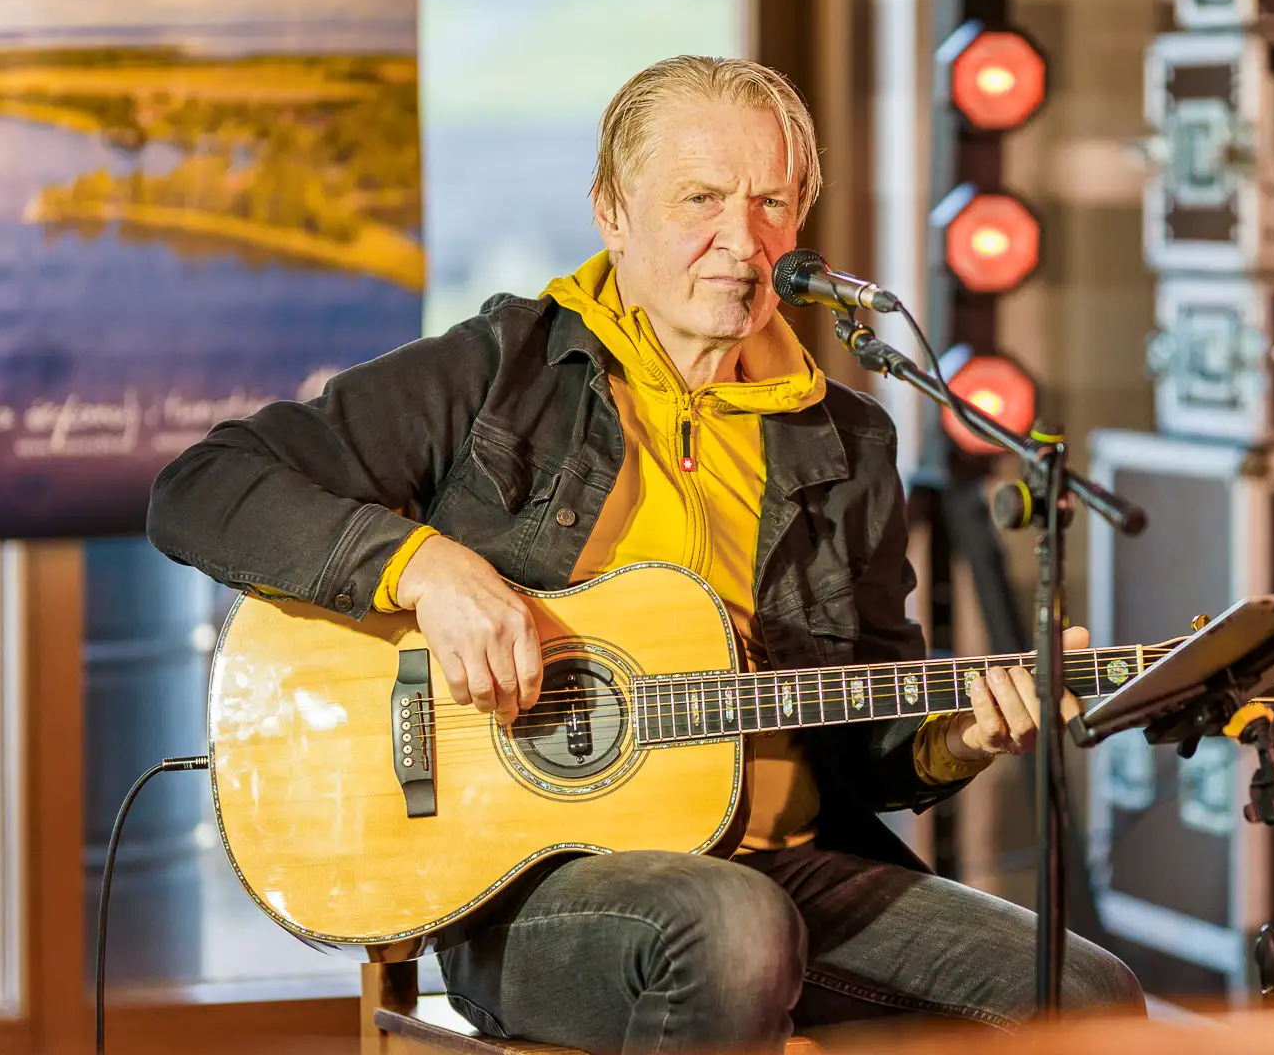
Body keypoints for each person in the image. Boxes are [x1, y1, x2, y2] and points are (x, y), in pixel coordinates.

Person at [146, 55, 1144, 1053]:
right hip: (534, 890)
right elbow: (203, 487)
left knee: (1084, 994)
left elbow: (866, 743)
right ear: (612, 213)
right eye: (701, 198)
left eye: (771, 203)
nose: (742, 241)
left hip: (786, 866)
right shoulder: (501, 373)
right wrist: (429, 570)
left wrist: (960, 734)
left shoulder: (848, 443)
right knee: (733, 927)